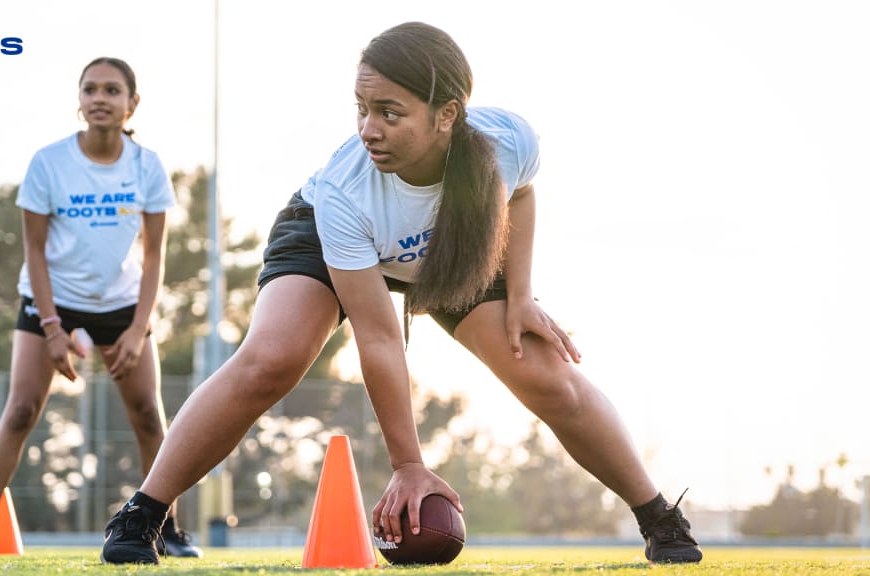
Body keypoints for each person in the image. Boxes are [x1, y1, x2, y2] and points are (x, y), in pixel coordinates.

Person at [100, 22, 703, 565]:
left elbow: (518, 194)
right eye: (361, 109)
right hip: (326, 236)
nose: (369, 129)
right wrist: (408, 465)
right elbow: (381, 338)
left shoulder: (507, 141)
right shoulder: (344, 192)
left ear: (448, 113)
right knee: (270, 360)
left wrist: (520, 294)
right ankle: (143, 515)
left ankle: (659, 520)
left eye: (390, 112)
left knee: (546, 375)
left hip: (448, 240)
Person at [0, 57, 200, 558]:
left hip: (122, 305)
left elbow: (155, 256)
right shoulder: (49, 163)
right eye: (90, 89)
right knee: (22, 410)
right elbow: (34, 252)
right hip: (54, 301)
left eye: (112, 90)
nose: (99, 98)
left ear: (132, 103)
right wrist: (50, 328)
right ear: (79, 101)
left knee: (150, 417)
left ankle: (168, 528)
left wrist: (137, 329)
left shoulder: (147, 165)